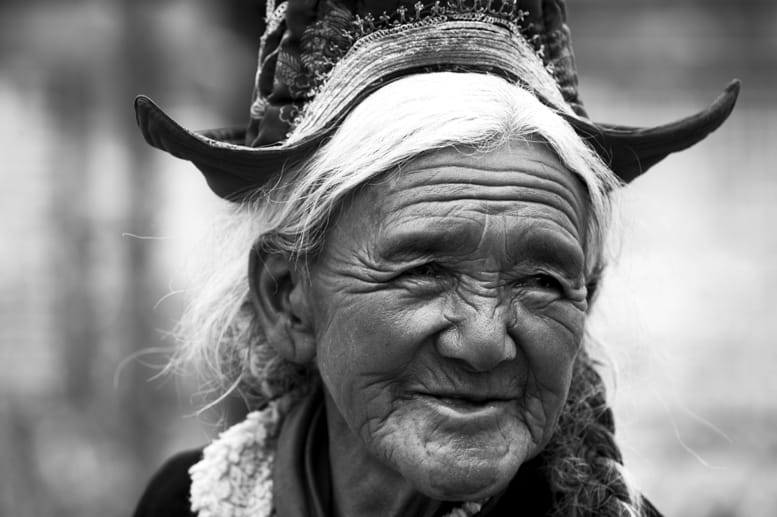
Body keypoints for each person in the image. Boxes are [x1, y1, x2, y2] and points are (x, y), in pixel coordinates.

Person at [132, 0, 739, 515]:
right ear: (287, 298)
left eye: (542, 281)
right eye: (424, 271)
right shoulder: (186, 503)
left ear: (588, 296)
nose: (483, 342)